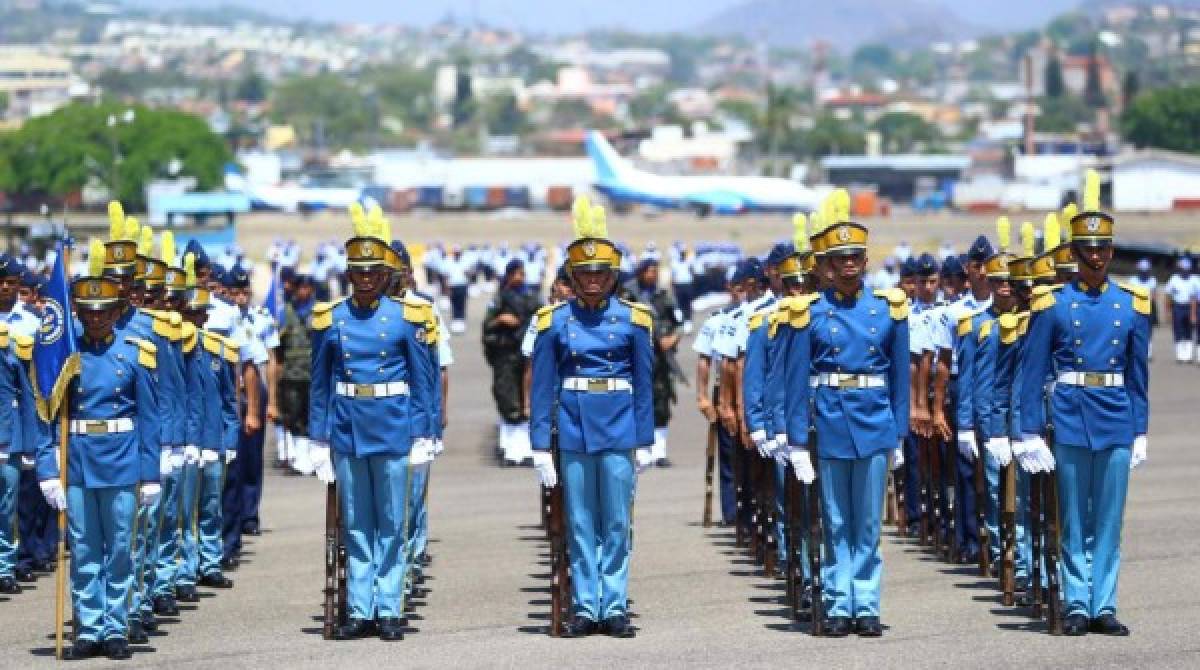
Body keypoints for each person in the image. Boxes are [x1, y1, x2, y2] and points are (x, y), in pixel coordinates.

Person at [1016, 174, 1150, 636]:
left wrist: (1141, 429)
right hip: (1072, 414)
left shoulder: (1130, 305)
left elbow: (1138, 376)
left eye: (1103, 248)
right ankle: (1076, 602)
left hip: (1115, 415)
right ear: (1074, 253)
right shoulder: (1052, 303)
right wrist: (1029, 430)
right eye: (1087, 248)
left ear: (1111, 252)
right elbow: (1031, 372)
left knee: (1109, 520)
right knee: (1073, 517)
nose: (1095, 256)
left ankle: (1104, 604)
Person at [779, 191, 909, 637]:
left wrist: (901, 434)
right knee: (835, 521)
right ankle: (838, 604)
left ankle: (867, 604)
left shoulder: (888, 310)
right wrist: (796, 440)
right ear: (826, 266)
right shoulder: (809, 314)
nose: (849, 264)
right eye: (840, 258)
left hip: (875, 421)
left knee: (869, 522)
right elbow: (795, 381)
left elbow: (899, 381)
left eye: (855, 256)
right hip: (831, 420)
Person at [308, 205, 438, 641]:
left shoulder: (407, 318)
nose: (365, 277)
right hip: (348, 429)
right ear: (349, 273)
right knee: (356, 525)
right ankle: (359, 610)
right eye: (358, 271)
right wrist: (316, 439)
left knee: (391, 523)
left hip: (393, 427)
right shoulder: (332, 319)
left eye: (373, 271)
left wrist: (424, 434)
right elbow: (321, 384)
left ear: (385, 275)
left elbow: (423, 382)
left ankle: (389, 608)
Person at [529, 198, 653, 638]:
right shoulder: (554, 322)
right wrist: (541, 446)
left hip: (619, 428)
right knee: (580, 521)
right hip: (576, 428)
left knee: (616, 521)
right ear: (574, 278)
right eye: (585, 274)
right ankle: (585, 604)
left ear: (613, 277)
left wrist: (645, 438)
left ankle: (614, 605)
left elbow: (643, 382)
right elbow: (542, 388)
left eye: (601, 273)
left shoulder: (634, 320)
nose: (594, 280)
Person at [37, 241, 161, 660]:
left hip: (122, 460)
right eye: (88, 313)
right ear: (78, 313)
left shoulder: (134, 352)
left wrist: (150, 474)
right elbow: (47, 415)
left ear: (114, 311)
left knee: (121, 547)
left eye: (103, 311)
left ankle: (115, 627)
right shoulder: (66, 356)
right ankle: (88, 629)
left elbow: (149, 418)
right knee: (85, 549)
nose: (95, 319)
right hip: (78, 462)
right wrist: (47, 469)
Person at [621, 258, 683, 467]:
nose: (652, 274)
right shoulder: (628, 295)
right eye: (649, 271)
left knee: (661, 403)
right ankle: (637, 448)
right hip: (635, 357)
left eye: (655, 270)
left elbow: (679, 323)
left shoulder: (663, 296)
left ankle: (659, 451)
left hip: (661, 359)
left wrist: (673, 339)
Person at [483, 259, 539, 466]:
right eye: (515, 273)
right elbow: (486, 327)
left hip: (525, 355)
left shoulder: (532, 299)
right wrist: (500, 320)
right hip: (505, 355)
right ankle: (511, 450)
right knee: (506, 397)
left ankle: (523, 450)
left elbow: (539, 323)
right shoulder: (499, 300)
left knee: (527, 399)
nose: (519, 278)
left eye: (522, 274)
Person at [1163, 257, 1195, 363]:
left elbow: (1194, 297)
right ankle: (1180, 355)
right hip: (1177, 306)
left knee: (1189, 331)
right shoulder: (1174, 278)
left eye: (1186, 269)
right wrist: (1167, 311)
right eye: (1182, 269)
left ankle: (1188, 355)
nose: (1184, 271)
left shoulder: (1194, 279)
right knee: (1178, 330)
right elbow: (1168, 294)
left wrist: (1193, 313)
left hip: (1189, 306)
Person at [1125, 258, 1158, 359]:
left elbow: (1153, 296)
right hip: (1135, 308)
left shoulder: (1152, 280)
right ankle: (1134, 351)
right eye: (1142, 271)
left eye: (1146, 271)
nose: (1144, 273)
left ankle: (1148, 351)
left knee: (1148, 331)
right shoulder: (1133, 280)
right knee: (1134, 330)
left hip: (1148, 308)